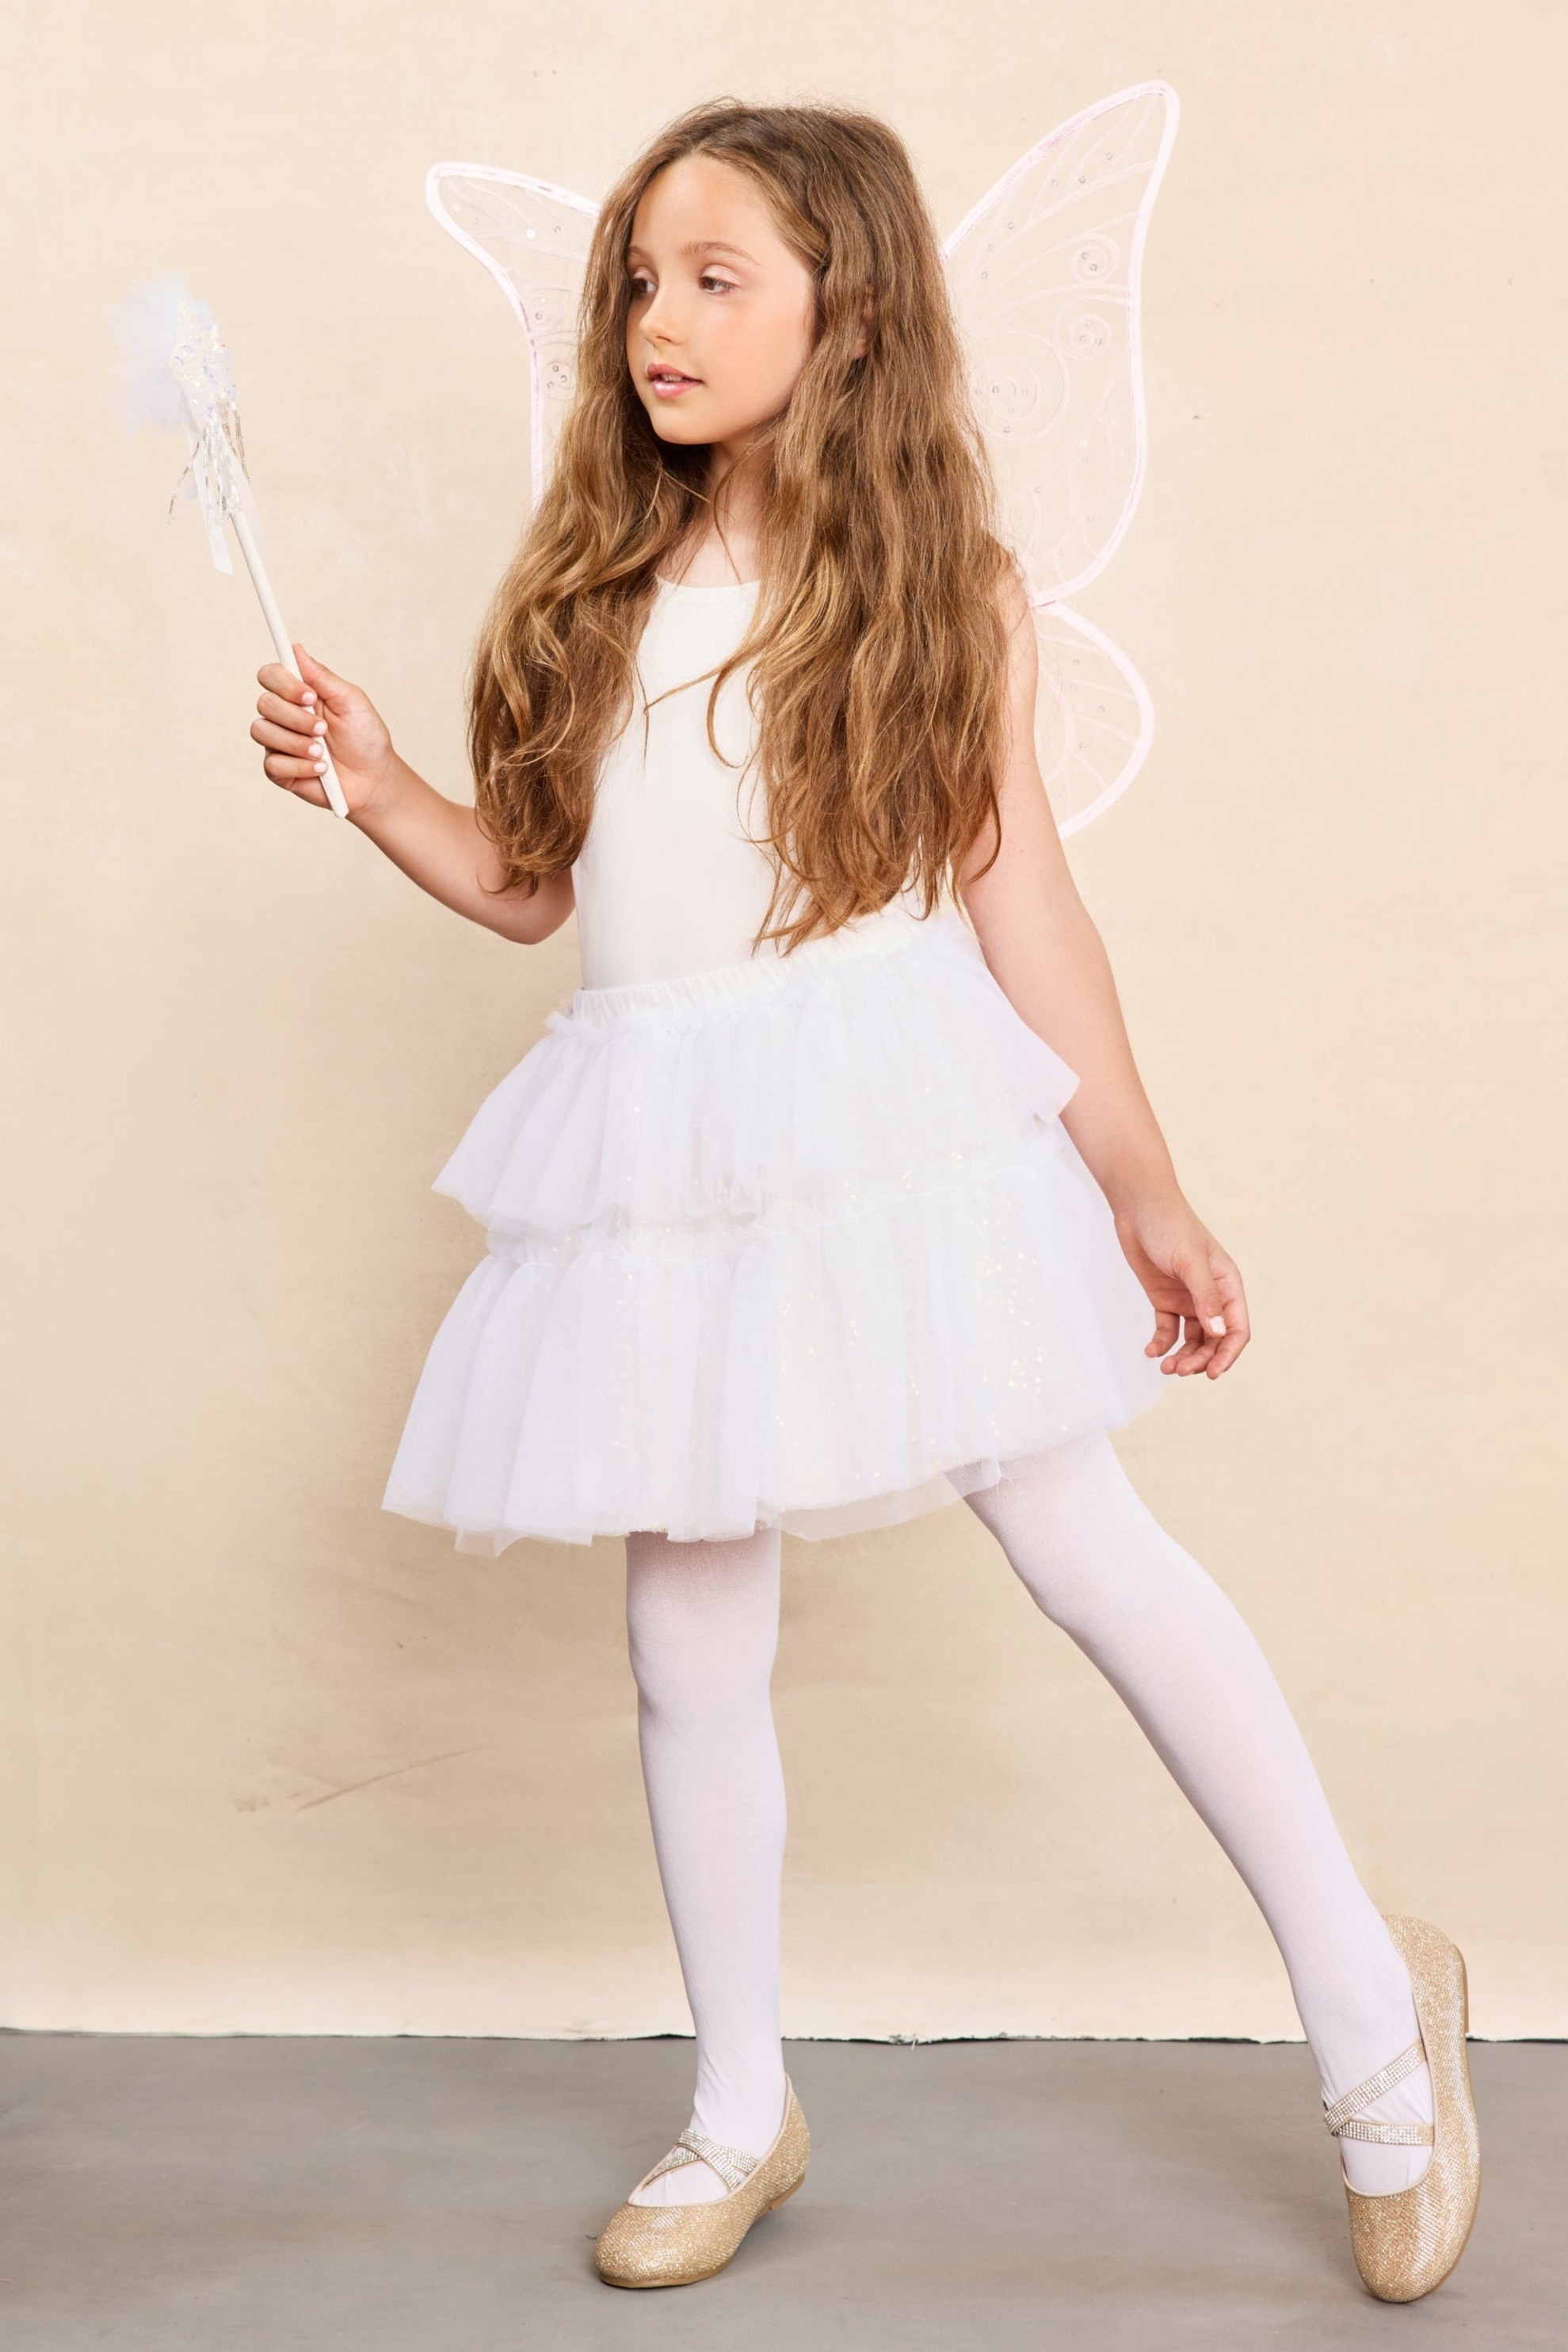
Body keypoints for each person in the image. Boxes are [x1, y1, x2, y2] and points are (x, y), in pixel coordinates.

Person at [247, 99, 1478, 2303]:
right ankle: (741, 2101)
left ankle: (1379, 2018)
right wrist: (376, 790)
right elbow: (537, 888)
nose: (661, 320)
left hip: (884, 1130)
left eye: (720, 278)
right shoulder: (592, 586)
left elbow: (1031, 911)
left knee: (1092, 1552)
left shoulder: (928, 591)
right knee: (686, 1622)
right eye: (639, 278)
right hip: (669, 1158)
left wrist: (1146, 1184)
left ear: (853, 312)